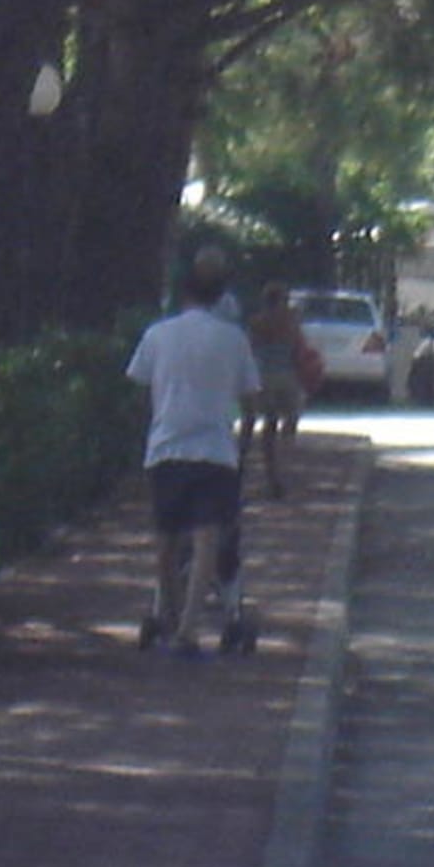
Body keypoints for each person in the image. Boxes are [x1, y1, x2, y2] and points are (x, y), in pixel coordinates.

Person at [127, 250, 261, 658]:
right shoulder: (233, 339)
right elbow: (250, 402)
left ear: (183, 292)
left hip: (166, 447)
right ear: (220, 295)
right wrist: (244, 447)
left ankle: (167, 616)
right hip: (215, 451)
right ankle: (189, 628)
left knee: (167, 541)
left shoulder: (157, 335)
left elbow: (139, 391)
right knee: (208, 540)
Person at [239, 282, 305, 498]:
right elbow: (298, 348)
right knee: (284, 422)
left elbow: (249, 348)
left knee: (263, 423)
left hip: (262, 376)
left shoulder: (256, 322)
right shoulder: (289, 321)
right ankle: (276, 474)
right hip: (283, 376)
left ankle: (252, 470)